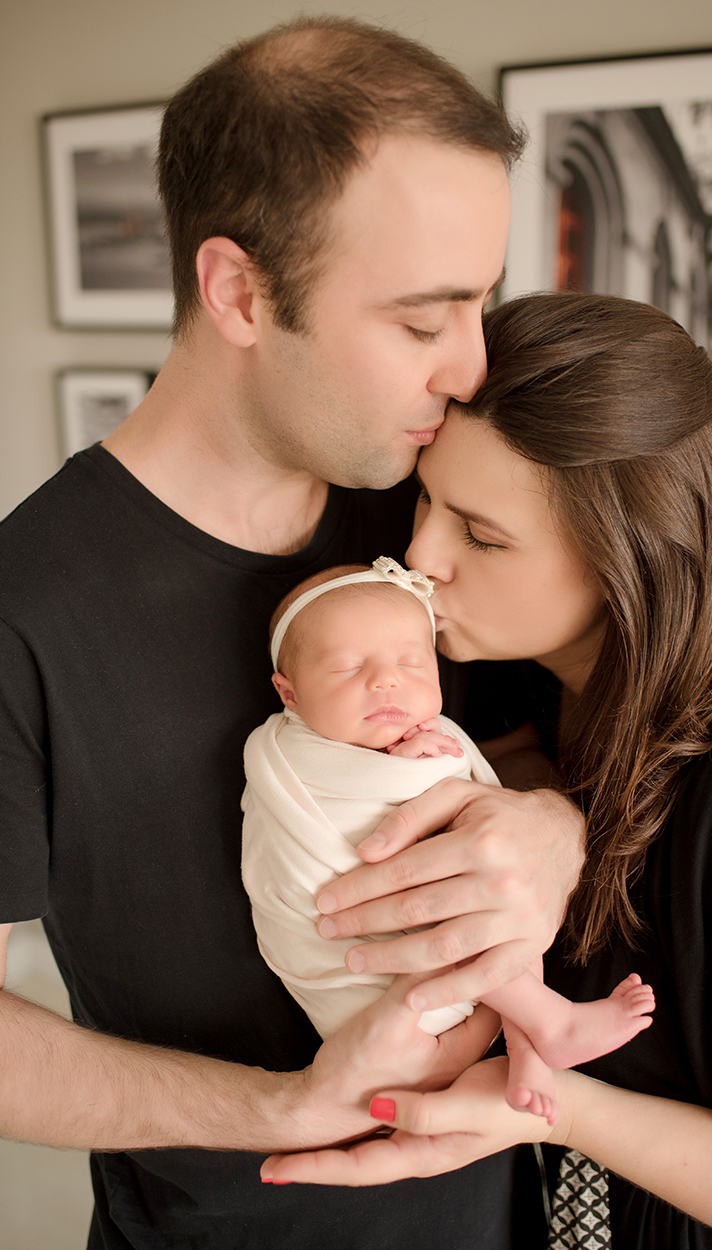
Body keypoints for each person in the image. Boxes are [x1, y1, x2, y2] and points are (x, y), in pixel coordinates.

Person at [0, 18, 587, 1250]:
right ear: (239, 291)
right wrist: (287, 1104)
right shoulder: (23, 604)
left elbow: (533, 747)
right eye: (424, 323)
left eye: (479, 306)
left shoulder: (433, 516)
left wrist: (548, 825)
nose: (470, 370)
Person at [262, 293, 712, 1250]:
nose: (418, 559)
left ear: (632, 558)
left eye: (482, 535)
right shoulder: (510, 676)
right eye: (427, 500)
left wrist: (548, 1108)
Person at [241, 556, 653, 1122]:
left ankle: (530, 1054)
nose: (387, 680)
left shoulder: (432, 731)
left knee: (504, 915)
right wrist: (405, 770)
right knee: (466, 917)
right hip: (369, 983)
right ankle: (551, 1022)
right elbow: (354, 821)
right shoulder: (290, 754)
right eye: (346, 667)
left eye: (412, 661)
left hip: (433, 971)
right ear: (288, 695)